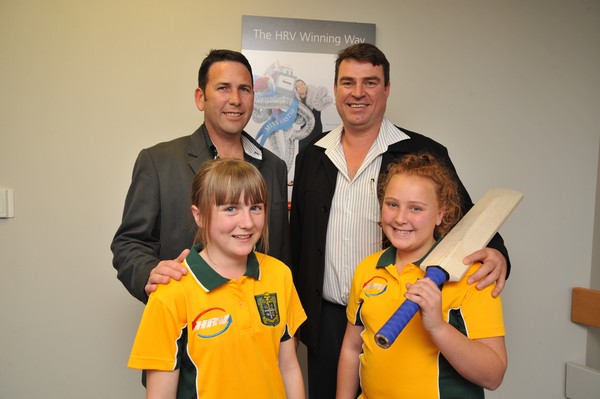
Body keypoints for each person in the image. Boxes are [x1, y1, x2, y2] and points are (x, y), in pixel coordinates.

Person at [289, 43, 511, 398]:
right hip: (330, 321)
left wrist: (498, 254)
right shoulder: (312, 156)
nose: (357, 93)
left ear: (387, 89)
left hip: (406, 310)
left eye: (370, 82)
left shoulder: (423, 153)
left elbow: (465, 217)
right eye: (348, 82)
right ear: (335, 90)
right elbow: (296, 238)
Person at [111, 49, 290, 304]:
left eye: (244, 89)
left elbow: (281, 252)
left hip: (257, 325)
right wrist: (148, 272)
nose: (235, 99)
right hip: (188, 319)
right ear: (200, 98)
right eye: (223, 88)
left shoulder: (274, 167)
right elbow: (129, 243)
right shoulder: (158, 162)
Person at [128, 159, 307, 399]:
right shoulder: (170, 293)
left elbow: (288, 367)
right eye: (230, 208)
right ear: (199, 215)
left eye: (255, 207)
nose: (247, 223)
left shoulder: (279, 275)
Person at [337, 153, 507, 398]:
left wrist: (437, 326)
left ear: (440, 214)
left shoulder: (474, 276)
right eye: (392, 204)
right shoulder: (367, 268)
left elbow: (493, 376)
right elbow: (352, 349)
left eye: (416, 208)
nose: (400, 218)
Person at [294, 79, 333, 152]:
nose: (301, 87)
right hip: (304, 131)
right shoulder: (297, 103)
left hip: (316, 129)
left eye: (302, 84)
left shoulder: (315, 96)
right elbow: (296, 118)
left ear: (305, 85)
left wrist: (320, 103)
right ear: (296, 90)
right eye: (298, 86)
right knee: (303, 152)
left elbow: (329, 100)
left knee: (317, 152)